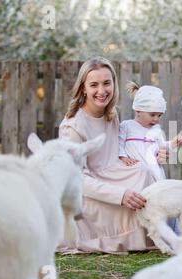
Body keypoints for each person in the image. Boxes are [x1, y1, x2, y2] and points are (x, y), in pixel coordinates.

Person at [58, 57, 168, 254]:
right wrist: (121, 195)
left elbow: (116, 151)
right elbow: (76, 179)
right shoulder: (72, 127)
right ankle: (130, 234)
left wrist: (152, 154)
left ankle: (158, 231)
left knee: (144, 172)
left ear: (114, 84)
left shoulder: (112, 114)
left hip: (113, 173)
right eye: (94, 85)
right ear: (83, 88)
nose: (102, 91)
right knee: (134, 195)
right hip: (87, 191)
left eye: (106, 83)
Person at [118, 82, 182, 181]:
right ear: (138, 111)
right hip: (134, 174)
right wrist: (123, 158)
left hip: (155, 174)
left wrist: (172, 144)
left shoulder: (156, 130)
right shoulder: (127, 126)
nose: (156, 119)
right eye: (152, 115)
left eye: (159, 115)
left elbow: (161, 146)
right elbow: (119, 144)